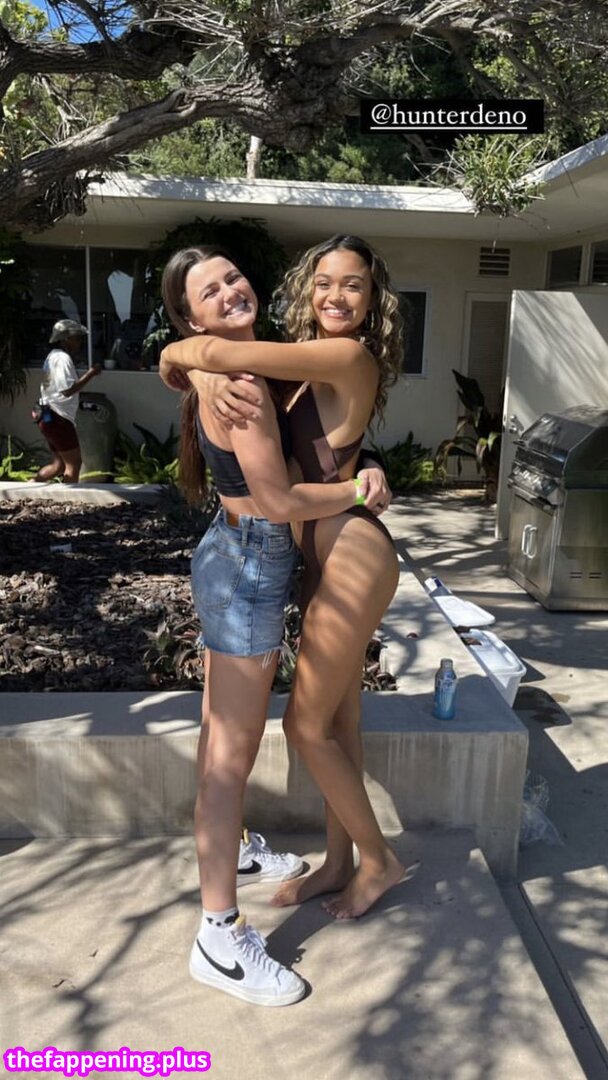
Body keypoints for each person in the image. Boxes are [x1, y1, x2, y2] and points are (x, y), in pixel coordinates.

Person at [160, 245, 388, 1008]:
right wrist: (358, 489)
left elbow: (207, 359)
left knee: (225, 741)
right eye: (210, 290)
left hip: (239, 554)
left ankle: (266, 857)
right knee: (230, 758)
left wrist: (187, 358)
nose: (231, 289)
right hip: (253, 561)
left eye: (233, 276)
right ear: (191, 315)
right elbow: (284, 501)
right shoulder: (246, 383)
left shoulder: (263, 366)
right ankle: (219, 937)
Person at [34, 319, 102, 483]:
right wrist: (91, 373)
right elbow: (67, 390)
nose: (80, 342)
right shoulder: (63, 358)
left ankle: (30, 487)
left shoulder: (52, 356)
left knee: (58, 465)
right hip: (58, 418)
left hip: (48, 416)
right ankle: (69, 496)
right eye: (77, 338)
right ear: (66, 339)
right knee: (74, 464)